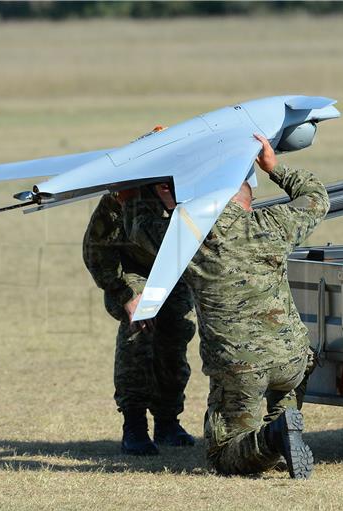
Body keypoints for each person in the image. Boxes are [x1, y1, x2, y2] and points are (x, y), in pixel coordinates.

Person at [123, 134, 329, 478]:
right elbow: (316, 198)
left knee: (223, 453)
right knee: (287, 387)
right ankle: (283, 427)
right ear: (247, 196)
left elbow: (137, 225)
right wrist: (274, 167)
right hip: (292, 357)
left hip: (240, 368)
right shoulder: (272, 224)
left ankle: (274, 438)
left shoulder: (187, 239)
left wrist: (133, 190)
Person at [82, 186, 197, 455]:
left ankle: (168, 422)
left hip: (174, 270)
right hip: (132, 273)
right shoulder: (124, 195)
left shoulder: (192, 190)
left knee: (177, 335)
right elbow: (95, 249)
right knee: (140, 331)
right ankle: (134, 426)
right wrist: (124, 294)